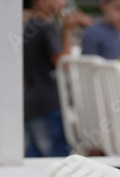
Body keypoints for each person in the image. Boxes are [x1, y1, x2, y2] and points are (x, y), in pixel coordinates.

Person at [24, 0, 92, 157]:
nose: (63, 3)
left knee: (33, 159)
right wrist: (68, 29)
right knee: (56, 160)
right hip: (47, 104)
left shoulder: (32, 25)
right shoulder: (43, 26)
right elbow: (62, 62)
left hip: (33, 103)